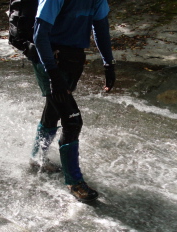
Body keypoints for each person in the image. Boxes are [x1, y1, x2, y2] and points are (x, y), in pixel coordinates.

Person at [29, 0, 116, 202]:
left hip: (73, 60)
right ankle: (74, 182)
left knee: (53, 112)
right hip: (48, 60)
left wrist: (108, 63)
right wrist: (53, 75)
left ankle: (36, 159)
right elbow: (39, 35)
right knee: (72, 120)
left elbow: (101, 27)